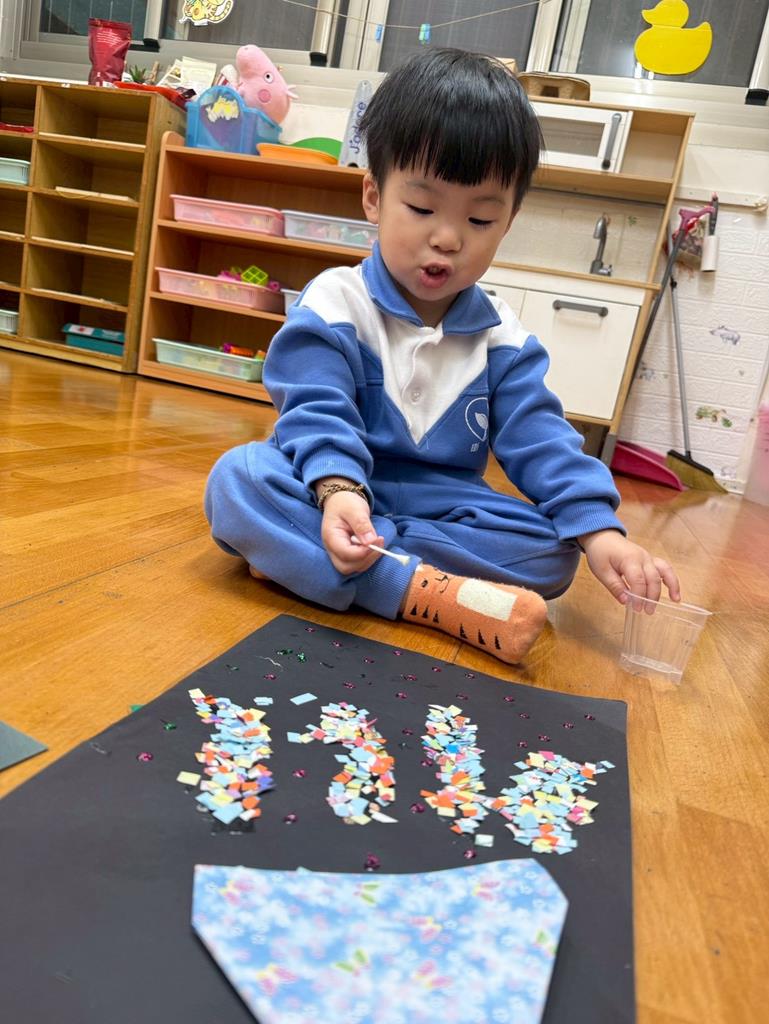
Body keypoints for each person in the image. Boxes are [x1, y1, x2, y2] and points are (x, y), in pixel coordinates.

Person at [205, 47, 680, 665]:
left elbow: (541, 439)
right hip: (334, 484)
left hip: (444, 507)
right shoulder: (335, 300)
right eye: (422, 208)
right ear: (373, 197)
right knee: (240, 479)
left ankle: (312, 560)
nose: (448, 238)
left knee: (555, 553)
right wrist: (339, 490)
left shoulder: (503, 335)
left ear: (507, 223)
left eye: (480, 220)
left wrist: (600, 529)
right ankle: (420, 591)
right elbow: (315, 410)